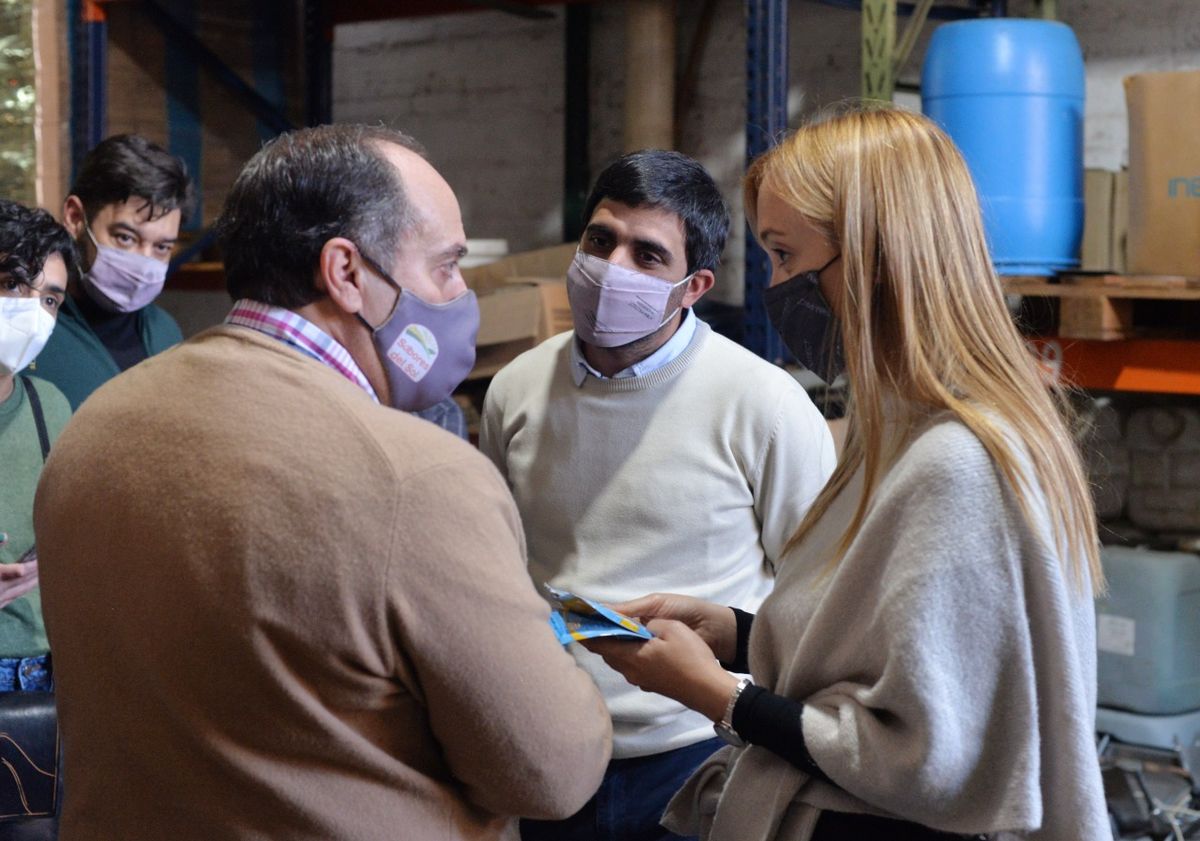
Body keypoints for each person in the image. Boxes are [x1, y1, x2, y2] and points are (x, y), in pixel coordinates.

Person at [34, 123, 611, 840]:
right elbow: (551, 769)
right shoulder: (418, 476)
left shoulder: (94, 427)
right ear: (346, 272)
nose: (460, 295)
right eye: (445, 266)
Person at [587, 105, 1110, 841]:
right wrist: (739, 633)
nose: (776, 285)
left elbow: (923, 756)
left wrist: (716, 694)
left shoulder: (958, 462)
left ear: (874, 259)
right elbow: (889, 654)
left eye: (785, 255)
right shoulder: (903, 430)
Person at [480, 150, 837, 841]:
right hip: (550, 744)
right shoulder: (515, 390)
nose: (613, 268)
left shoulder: (764, 404)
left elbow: (817, 597)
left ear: (694, 284)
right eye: (599, 239)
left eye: (648, 255)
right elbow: (504, 562)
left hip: (700, 752)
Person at [31, 133, 192, 409]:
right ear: (75, 217)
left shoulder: (165, 332)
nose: (143, 264)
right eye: (125, 238)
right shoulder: (27, 327)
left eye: (162, 247)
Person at [0, 199, 74, 693]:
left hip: (39, 678)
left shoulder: (50, 406)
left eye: (49, 299)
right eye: (11, 285)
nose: (32, 311)